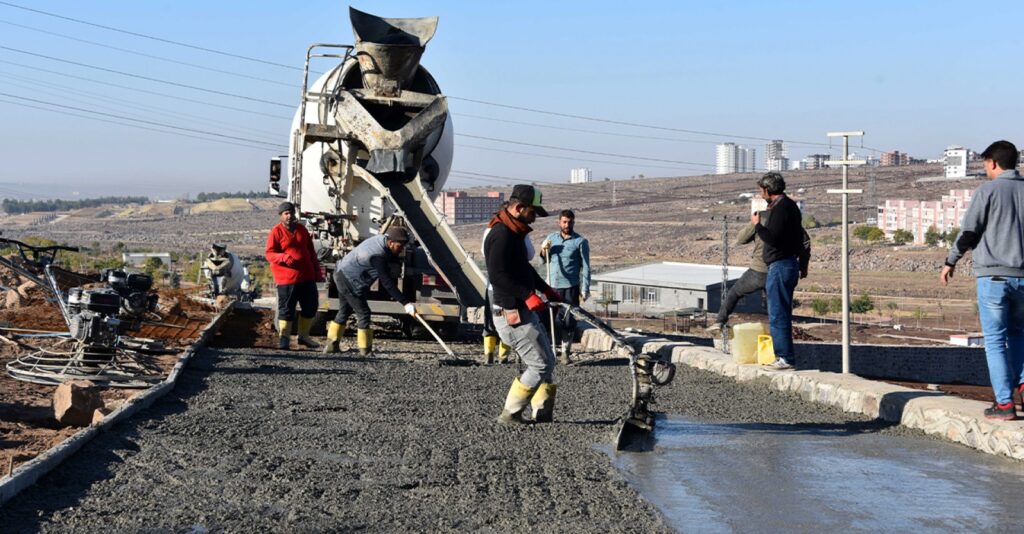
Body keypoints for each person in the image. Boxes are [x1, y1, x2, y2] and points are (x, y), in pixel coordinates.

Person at [942, 140, 1024, 420]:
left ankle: (1004, 404)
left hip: (994, 278)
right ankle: (1022, 385)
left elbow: (969, 233)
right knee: (1019, 335)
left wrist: (950, 261)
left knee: (995, 341)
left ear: (992, 163)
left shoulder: (987, 191)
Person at [485, 184, 563, 424]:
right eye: (532, 212)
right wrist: (527, 294)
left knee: (547, 359)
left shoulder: (514, 233)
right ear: (519, 208)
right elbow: (497, 276)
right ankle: (511, 414)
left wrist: (544, 288)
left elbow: (523, 269)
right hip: (511, 312)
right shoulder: (501, 235)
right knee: (540, 364)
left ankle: (542, 412)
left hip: (522, 308)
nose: (535, 219)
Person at [708, 206, 811, 336]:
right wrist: (803, 267)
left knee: (734, 293)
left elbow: (741, 238)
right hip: (782, 272)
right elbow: (806, 244)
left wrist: (754, 224)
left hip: (759, 271)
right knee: (777, 306)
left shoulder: (761, 218)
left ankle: (720, 321)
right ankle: (781, 336)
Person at [323, 226, 418, 356]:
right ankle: (365, 351)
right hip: (349, 279)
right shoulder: (377, 256)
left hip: (341, 272)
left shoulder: (382, 240)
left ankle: (330, 346)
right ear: (391, 243)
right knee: (364, 313)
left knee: (344, 311)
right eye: (400, 246)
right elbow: (387, 282)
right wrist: (405, 303)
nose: (402, 249)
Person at [752, 172, 804, 370]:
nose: (760, 193)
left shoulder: (781, 209)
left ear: (768, 190)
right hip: (788, 264)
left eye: (761, 190)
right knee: (781, 312)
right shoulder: (790, 206)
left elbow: (772, 238)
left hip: (780, 266)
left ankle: (784, 357)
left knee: (778, 313)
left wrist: (757, 226)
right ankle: (785, 356)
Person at [265, 201, 323, 350]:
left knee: (311, 306)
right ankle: (284, 338)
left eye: (291, 212)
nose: (289, 216)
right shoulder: (276, 232)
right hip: (287, 279)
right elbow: (269, 254)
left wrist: (317, 271)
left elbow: (311, 252)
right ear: (281, 216)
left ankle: (303, 337)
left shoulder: (302, 230)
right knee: (286, 309)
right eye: (286, 213)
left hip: (307, 276)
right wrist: (283, 258)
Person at [539, 209, 591, 364]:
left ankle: (565, 353)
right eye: (564, 222)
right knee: (546, 318)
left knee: (568, 320)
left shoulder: (580, 242)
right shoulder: (551, 238)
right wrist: (544, 250)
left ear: (574, 222)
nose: (567, 225)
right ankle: (547, 352)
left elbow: (586, 267)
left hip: (570, 286)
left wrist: (585, 288)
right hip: (551, 286)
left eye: (570, 222)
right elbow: (544, 260)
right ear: (559, 222)